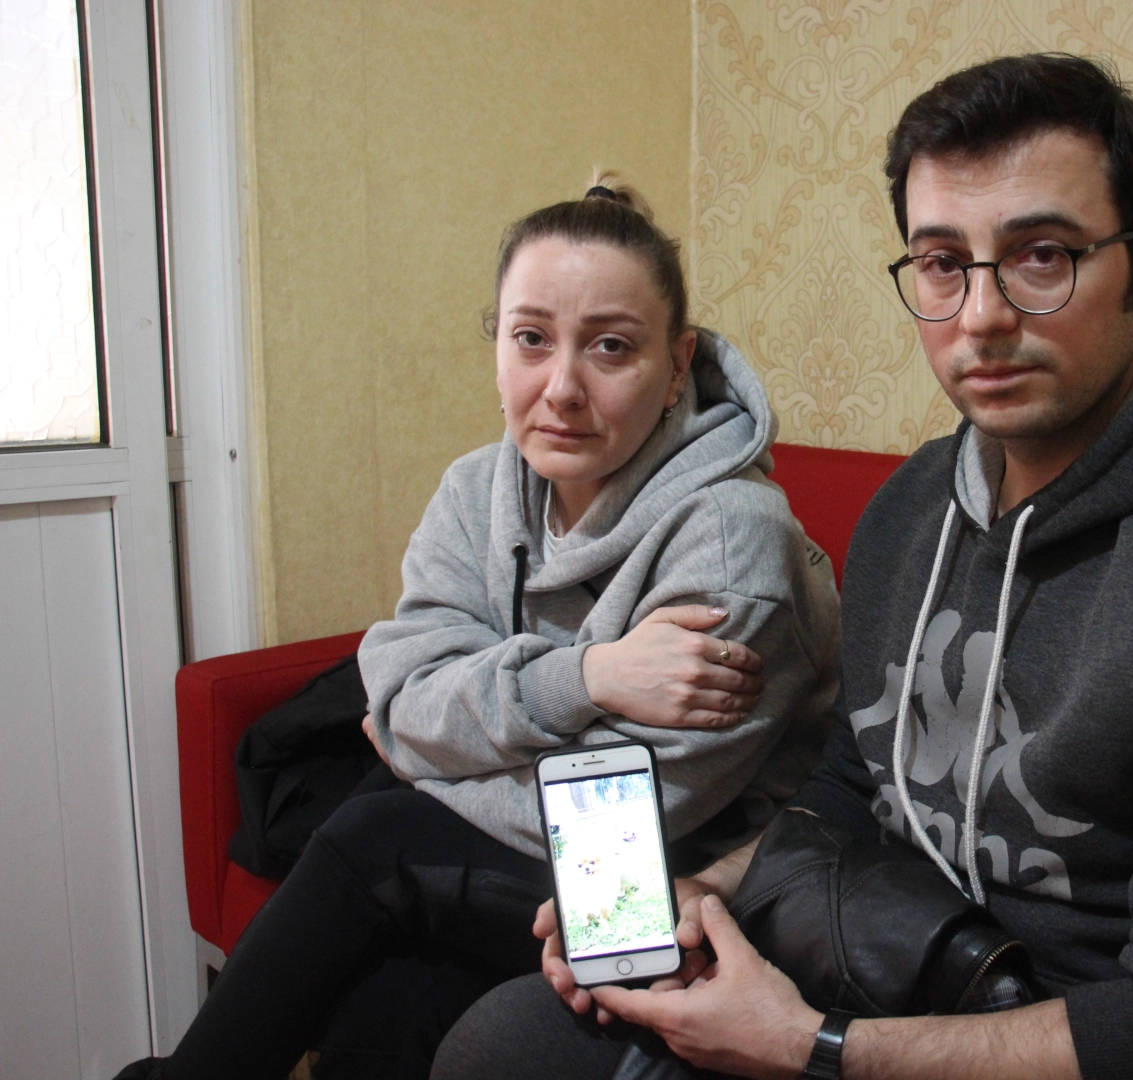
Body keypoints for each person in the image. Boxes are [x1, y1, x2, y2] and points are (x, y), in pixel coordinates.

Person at [435, 53, 1133, 1080]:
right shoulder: (914, 507)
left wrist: (807, 1048)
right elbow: (846, 783)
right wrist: (709, 891)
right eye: (944, 263)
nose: (982, 316)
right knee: (499, 1034)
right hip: (888, 958)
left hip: (1075, 1040)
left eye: (1042, 256)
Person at [114, 177, 839, 1080]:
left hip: (691, 884)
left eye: (611, 347)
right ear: (496, 344)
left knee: (375, 837)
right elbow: (402, 691)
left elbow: (632, 811)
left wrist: (424, 752)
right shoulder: (474, 491)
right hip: (551, 850)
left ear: (676, 365)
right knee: (386, 1002)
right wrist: (589, 678)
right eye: (531, 339)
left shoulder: (733, 538)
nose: (562, 388)